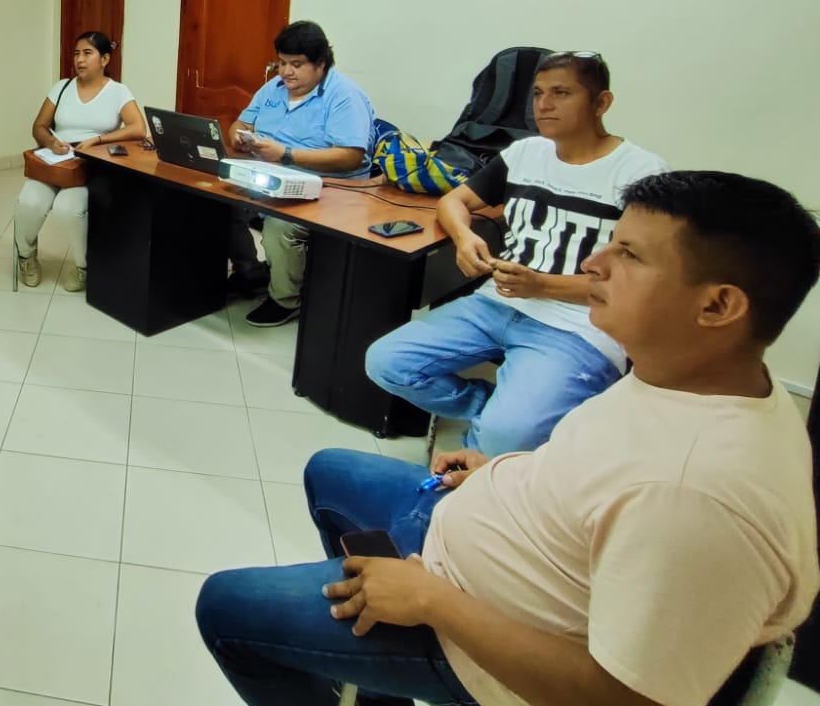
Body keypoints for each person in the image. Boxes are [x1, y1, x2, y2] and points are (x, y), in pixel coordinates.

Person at [197, 169, 820, 706]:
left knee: (224, 607)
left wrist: (432, 602)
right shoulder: (684, 375)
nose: (592, 264)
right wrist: (507, 471)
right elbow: (598, 475)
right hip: (480, 538)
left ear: (717, 306)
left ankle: (379, 652)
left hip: (476, 637)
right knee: (329, 470)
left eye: (629, 255)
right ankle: (372, 675)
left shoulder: (694, 496)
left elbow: (622, 698)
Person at [365, 52, 667, 455]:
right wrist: (464, 238)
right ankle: (487, 411)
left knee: (504, 437)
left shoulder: (640, 173)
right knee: (386, 362)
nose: (544, 105)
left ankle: (495, 438)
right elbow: (454, 201)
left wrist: (542, 285)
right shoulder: (525, 153)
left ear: (601, 103)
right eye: (538, 93)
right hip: (497, 303)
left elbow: (640, 282)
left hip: (579, 325)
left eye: (561, 93)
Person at [227, 21, 375, 327]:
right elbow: (240, 124)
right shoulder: (273, 89)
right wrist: (239, 137)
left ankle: (285, 300)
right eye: (281, 63)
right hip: (273, 176)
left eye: (296, 64)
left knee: (281, 225)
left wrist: (287, 154)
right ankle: (250, 271)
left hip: (330, 188)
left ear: (321, 64)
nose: (286, 72)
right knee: (218, 202)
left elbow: (350, 156)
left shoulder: (344, 96)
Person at [15, 31, 147, 292]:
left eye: (88, 53)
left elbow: (138, 128)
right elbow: (39, 126)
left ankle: (83, 267)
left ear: (105, 59)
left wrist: (98, 139)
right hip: (55, 162)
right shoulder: (62, 87)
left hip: (89, 167)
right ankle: (25, 257)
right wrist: (50, 142)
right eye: (76, 53)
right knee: (29, 202)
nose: (80, 59)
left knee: (68, 209)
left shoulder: (118, 91)